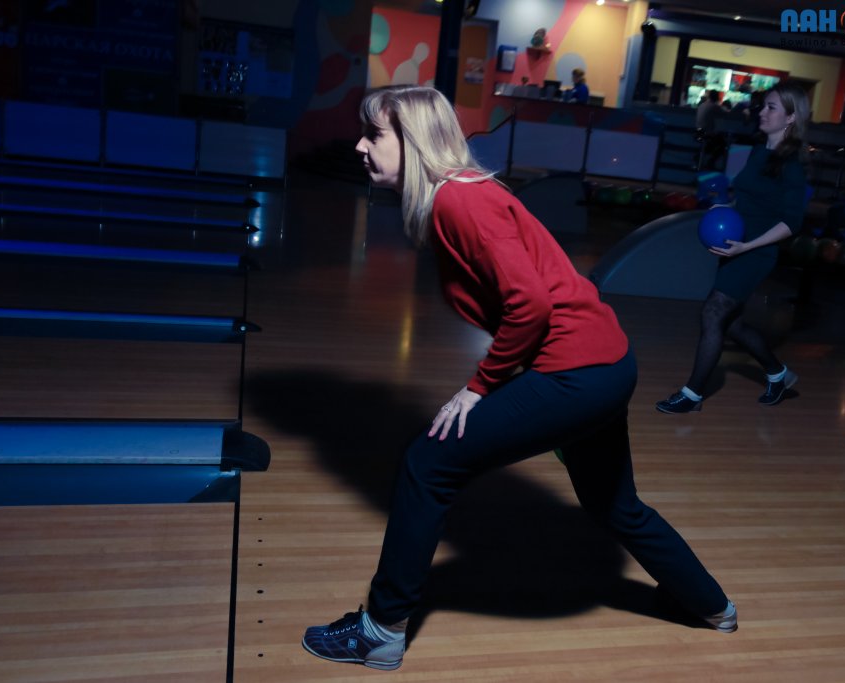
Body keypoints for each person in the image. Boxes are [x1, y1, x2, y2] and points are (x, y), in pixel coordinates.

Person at [302, 85, 736, 671]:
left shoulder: (459, 200)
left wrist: (480, 386)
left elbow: (530, 304)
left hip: (577, 372)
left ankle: (381, 630)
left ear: (415, 141)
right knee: (614, 503)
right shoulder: (460, 195)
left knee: (428, 464)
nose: (360, 145)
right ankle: (711, 605)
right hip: (604, 365)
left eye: (373, 134)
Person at [656, 82, 809, 414]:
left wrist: (748, 246)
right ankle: (778, 375)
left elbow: (791, 223)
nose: (762, 112)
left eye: (771, 107)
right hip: (735, 245)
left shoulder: (792, 164)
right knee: (731, 323)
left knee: (713, 312)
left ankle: (693, 395)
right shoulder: (758, 151)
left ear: (791, 117)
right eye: (763, 106)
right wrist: (725, 209)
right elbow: (750, 201)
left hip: (756, 250)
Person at [696, 90, 726, 170]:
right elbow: (725, 114)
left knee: (714, 142)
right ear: (717, 98)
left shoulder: (702, 105)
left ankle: (700, 155)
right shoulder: (714, 106)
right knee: (723, 144)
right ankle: (710, 162)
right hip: (707, 133)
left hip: (699, 132)